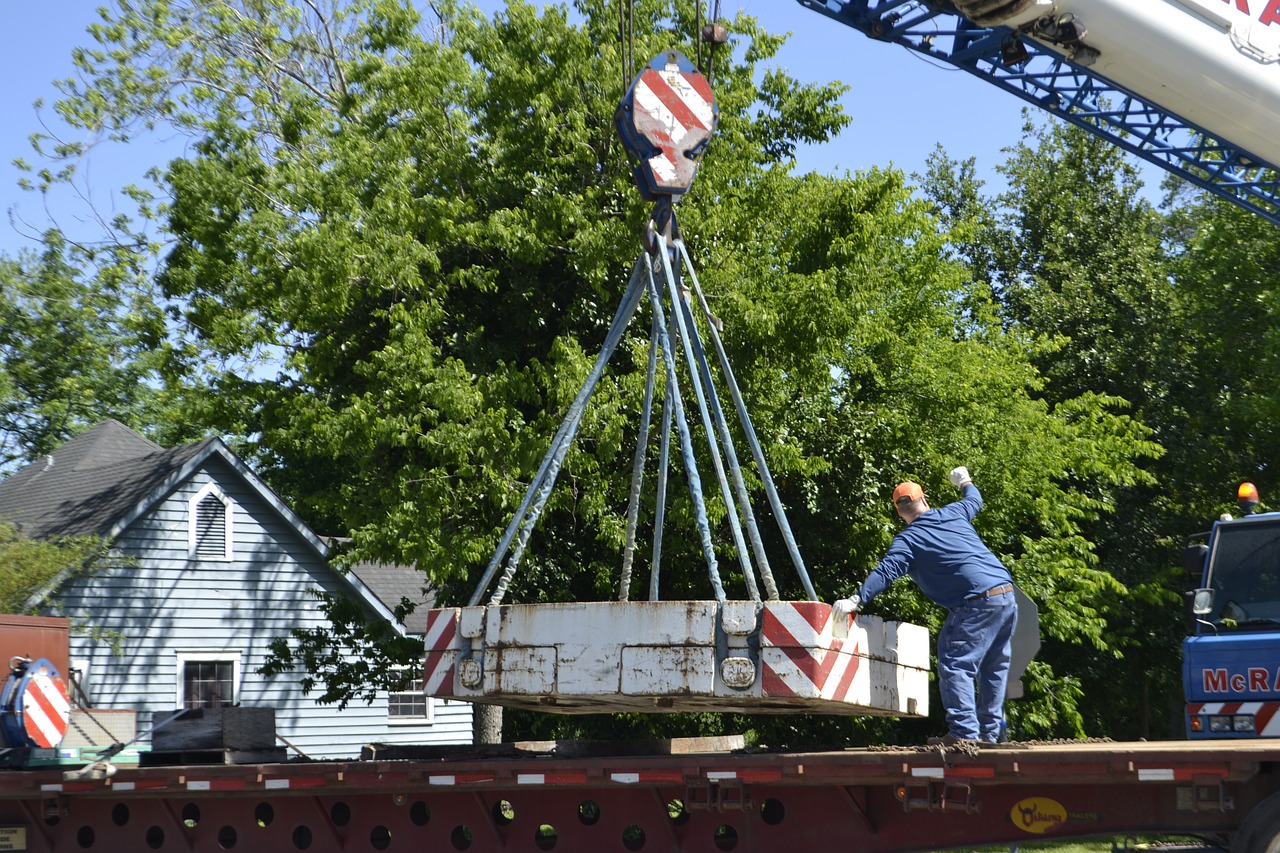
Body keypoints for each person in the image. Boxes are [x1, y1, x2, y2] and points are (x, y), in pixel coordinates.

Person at [835, 466, 1017, 745]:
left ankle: (965, 734)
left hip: (975, 603)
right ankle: (988, 735)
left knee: (956, 663)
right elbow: (974, 499)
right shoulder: (953, 513)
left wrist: (857, 599)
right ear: (925, 499)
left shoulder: (909, 540)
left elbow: (886, 572)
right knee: (993, 668)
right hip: (1005, 597)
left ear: (899, 512)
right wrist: (965, 481)